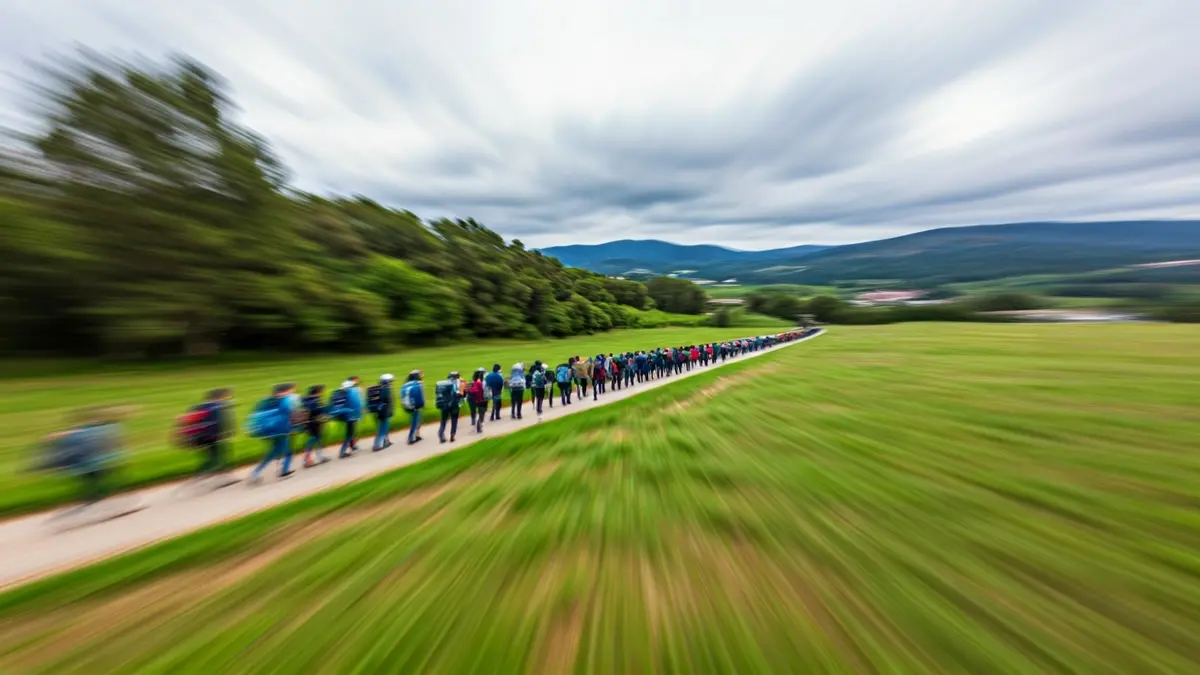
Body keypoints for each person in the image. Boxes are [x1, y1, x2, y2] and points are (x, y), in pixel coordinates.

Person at [248, 383, 299, 484]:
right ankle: (281, 470)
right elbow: (290, 414)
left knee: (274, 452)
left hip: (267, 431)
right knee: (286, 452)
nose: (292, 392)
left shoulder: (265, 400)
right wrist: (294, 427)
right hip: (282, 430)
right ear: (286, 390)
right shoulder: (286, 400)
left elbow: (255, 415)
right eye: (291, 390)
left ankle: (258, 472)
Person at [301, 385, 331, 467]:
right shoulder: (315, 400)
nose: (322, 393)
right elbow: (317, 411)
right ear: (317, 391)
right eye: (321, 391)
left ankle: (318, 457)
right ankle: (307, 460)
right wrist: (324, 408)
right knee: (313, 440)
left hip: (310, 423)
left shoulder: (306, 400)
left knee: (317, 440)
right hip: (314, 423)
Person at [338, 378, 364, 458]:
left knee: (350, 433)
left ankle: (350, 447)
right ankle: (342, 452)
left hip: (346, 416)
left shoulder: (342, 393)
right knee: (349, 434)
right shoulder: (352, 393)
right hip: (351, 416)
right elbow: (357, 404)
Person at [437, 371, 463, 443]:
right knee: (454, 420)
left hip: (444, 405)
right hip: (454, 405)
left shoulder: (443, 384)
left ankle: (441, 433)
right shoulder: (458, 383)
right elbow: (461, 395)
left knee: (443, 420)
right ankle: (452, 435)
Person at [372, 374, 396, 452]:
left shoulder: (380, 388)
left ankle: (385, 442)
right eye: (390, 381)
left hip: (382, 412)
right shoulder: (385, 389)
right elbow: (387, 401)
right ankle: (377, 445)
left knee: (383, 428)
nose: (391, 383)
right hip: (384, 412)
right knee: (382, 429)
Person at [400, 370, 425, 445]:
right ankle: (411, 438)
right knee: (415, 421)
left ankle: (416, 435)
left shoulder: (406, 384)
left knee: (416, 420)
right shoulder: (418, 384)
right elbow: (421, 395)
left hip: (408, 405)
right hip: (415, 405)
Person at [468, 368, 488, 432]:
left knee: (473, 410)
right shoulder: (483, 382)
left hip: (473, 398)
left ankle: (474, 420)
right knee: (482, 411)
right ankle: (480, 422)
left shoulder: (473, 382)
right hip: (482, 399)